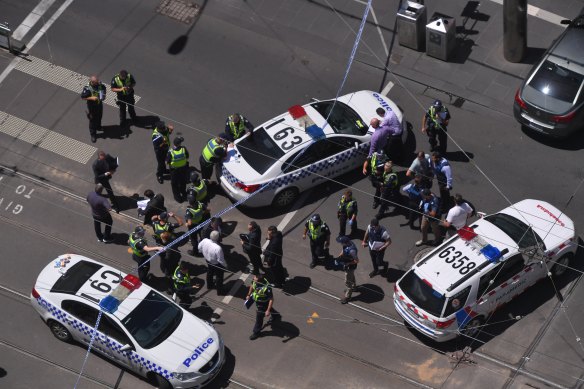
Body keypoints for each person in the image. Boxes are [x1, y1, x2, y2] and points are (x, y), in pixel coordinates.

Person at [247, 274, 281, 340]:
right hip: (258, 301)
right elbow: (252, 286)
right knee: (268, 309)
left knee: (259, 317)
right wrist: (248, 294)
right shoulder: (255, 280)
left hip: (264, 303)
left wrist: (267, 310)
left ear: (260, 282)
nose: (254, 280)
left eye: (255, 280)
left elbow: (271, 299)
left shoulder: (267, 288)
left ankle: (256, 332)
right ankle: (276, 315)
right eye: (254, 279)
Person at [198, 230, 228, 295]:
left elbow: (199, 248)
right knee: (219, 277)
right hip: (216, 263)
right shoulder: (218, 248)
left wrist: (204, 253)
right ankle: (220, 291)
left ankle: (209, 285)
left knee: (209, 272)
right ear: (217, 238)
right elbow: (221, 260)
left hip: (208, 260)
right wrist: (225, 266)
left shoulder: (205, 240)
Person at [80, 75, 106, 143]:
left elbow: (103, 89)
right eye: (96, 82)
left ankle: (98, 127)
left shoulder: (100, 85)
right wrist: (91, 98)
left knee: (99, 116)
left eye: (98, 81)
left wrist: (103, 95)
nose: (98, 83)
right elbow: (82, 97)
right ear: (92, 82)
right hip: (92, 106)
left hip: (99, 104)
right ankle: (93, 134)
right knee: (92, 120)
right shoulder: (87, 88)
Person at [335, 236, 359, 304]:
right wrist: (339, 257)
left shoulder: (352, 251)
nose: (340, 244)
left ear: (344, 243)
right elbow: (343, 250)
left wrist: (348, 263)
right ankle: (354, 287)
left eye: (341, 243)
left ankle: (348, 297)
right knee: (351, 277)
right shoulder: (347, 244)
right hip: (348, 265)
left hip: (350, 267)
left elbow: (356, 260)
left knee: (347, 282)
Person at [166, 136, 190, 203]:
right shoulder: (183, 149)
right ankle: (184, 193)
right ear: (179, 144)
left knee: (174, 184)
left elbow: (167, 162)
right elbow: (187, 156)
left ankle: (178, 197)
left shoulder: (170, 152)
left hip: (174, 171)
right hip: (183, 169)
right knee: (183, 181)